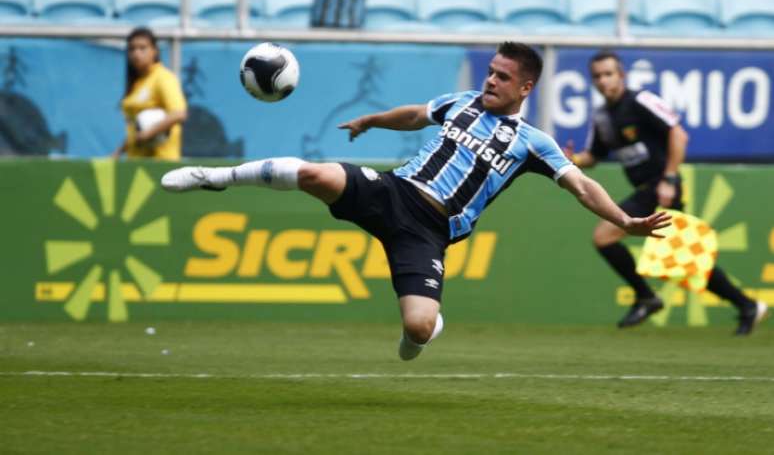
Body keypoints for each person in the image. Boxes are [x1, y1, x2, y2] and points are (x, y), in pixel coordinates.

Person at [161, 42, 670, 360]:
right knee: (316, 173)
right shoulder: (461, 104)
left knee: (417, 330)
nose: (490, 80)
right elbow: (414, 114)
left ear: (525, 86)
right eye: (490, 71)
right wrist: (370, 121)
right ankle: (215, 175)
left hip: (429, 232)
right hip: (393, 192)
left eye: (501, 76)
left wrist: (624, 219)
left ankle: (422, 334)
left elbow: (582, 184)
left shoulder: (533, 142)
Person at [565, 50, 768, 335]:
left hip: (660, 187)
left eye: (608, 74)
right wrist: (573, 160)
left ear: (621, 75)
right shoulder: (602, 117)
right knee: (687, 259)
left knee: (604, 236)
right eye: (597, 76)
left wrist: (670, 179)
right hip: (648, 190)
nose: (603, 80)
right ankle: (747, 305)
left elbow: (678, 134)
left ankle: (646, 297)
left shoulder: (641, 101)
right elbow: (595, 156)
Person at [113, 27, 187, 161]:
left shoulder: (163, 77)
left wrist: (148, 133)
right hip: (137, 161)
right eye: (132, 49)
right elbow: (136, 130)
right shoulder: (137, 83)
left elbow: (179, 113)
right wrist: (118, 152)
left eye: (142, 48)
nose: (136, 53)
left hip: (160, 161)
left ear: (155, 51)